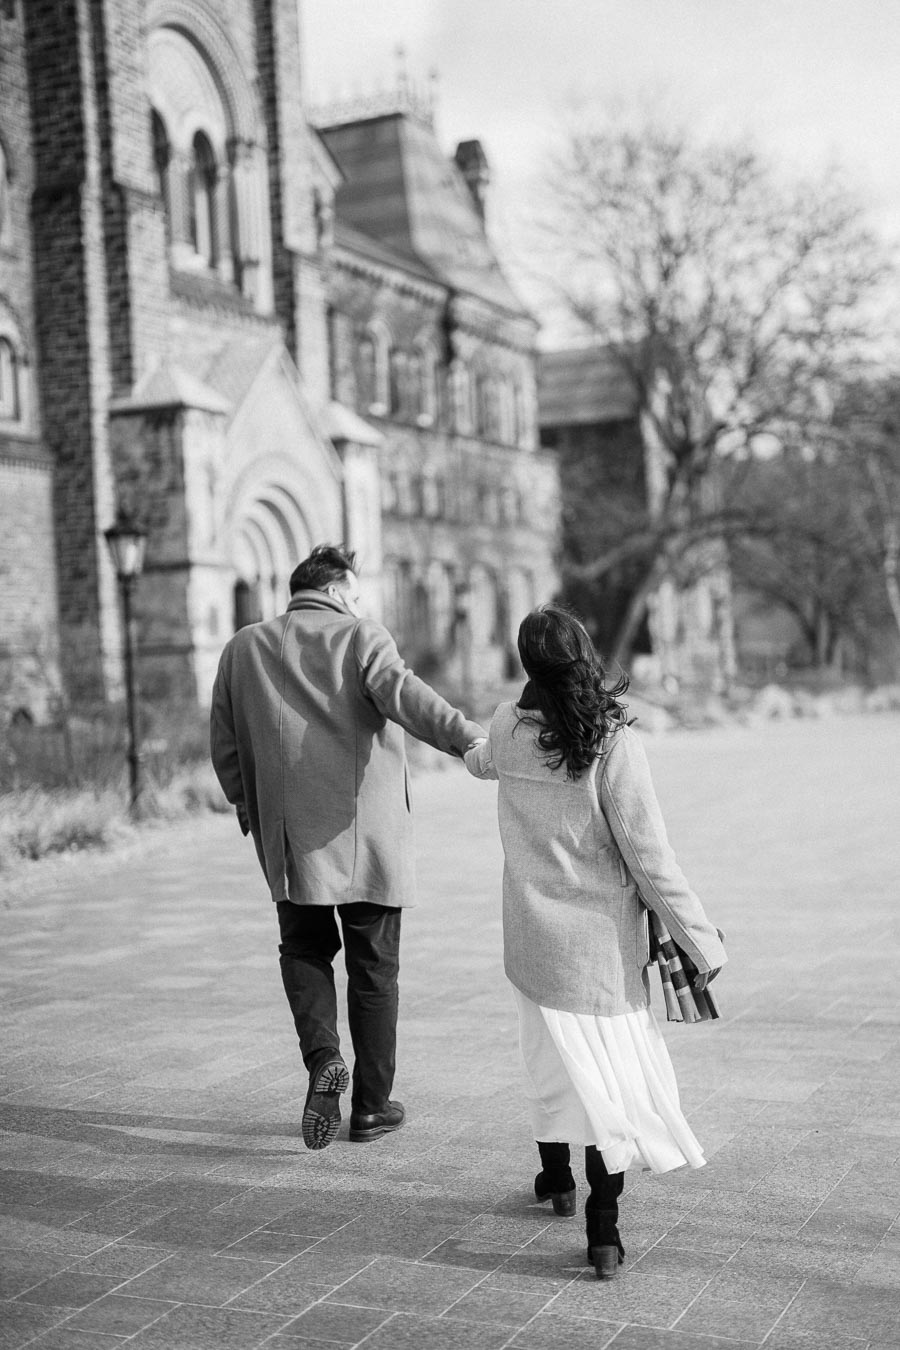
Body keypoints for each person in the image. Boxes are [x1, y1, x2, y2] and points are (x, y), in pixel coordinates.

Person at [464, 603, 727, 1280]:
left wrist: (461, 747)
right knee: (605, 1093)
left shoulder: (507, 727)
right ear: (585, 655)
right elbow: (650, 859)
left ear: (528, 665)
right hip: (600, 955)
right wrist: (703, 942)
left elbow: (483, 760)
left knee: (552, 1068)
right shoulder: (612, 744)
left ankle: (554, 1179)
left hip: (530, 942)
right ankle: (602, 1234)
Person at [210, 544, 484, 1151]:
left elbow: (224, 744)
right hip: (368, 838)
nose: (360, 605)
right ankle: (370, 1107)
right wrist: (470, 741)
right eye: (356, 595)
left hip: (289, 838)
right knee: (373, 970)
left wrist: (248, 807)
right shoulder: (361, 637)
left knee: (303, 949)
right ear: (336, 591)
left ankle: (322, 1059)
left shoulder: (242, 648)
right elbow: (406, 696)